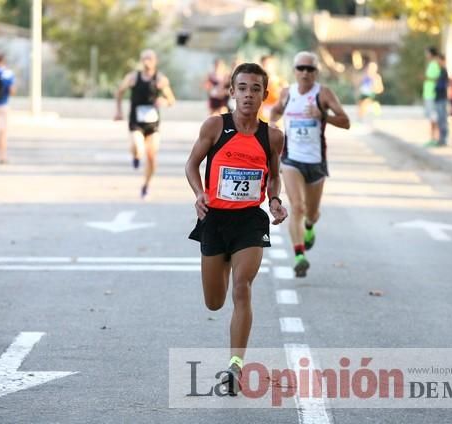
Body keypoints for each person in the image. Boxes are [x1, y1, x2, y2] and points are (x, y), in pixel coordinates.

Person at [186, 63, 288, 394]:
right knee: (214, 303)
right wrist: (200, 193)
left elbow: (274, 174)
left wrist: (274, 200)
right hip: (215, 220)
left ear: (264, 94)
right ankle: (223, 262)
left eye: (254, 89)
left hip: (249, 220)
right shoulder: (215, 126)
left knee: (242, 286)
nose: (247, 94)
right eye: (242, 88)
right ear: (232, 92)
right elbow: (191, 164)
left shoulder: (272, 136)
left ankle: (235, 366)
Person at [269, 51, 350, 278]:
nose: (305, 73)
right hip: (291, 159)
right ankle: (299, 256)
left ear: (316, 72)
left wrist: (322, 115)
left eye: (310, 69)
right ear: (294, 71)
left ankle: (310, 227)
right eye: (301, 68)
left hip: (315, 163)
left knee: (311, 213)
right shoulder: (287, 94)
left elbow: (346, 122)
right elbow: (274, 111)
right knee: (297, 207)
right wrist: (271, 124)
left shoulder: (323, 94)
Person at [114, 49, 176, 198]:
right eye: (144, 58)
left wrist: (164, 101)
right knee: (138, 146)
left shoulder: (160, 79)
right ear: (141, 61)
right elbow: (119, 92)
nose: (147, 61)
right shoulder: (133, 77)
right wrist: (118, 111)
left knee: (152, 158)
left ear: (155, 61)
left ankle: (146, 186)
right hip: (136, 121)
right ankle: (136, 156)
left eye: (150, 58)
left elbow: (171, 100)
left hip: (153, 124)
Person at [259, 54, 285, 123]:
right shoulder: (257, 82)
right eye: (264, 65)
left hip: (276, 121)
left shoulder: (281, 83)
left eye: (268, 64)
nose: (266, 67)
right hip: (261, 120)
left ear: (273, 66)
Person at [423, 47, 441, 146]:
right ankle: (432, 137)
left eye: (427, 53)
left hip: (432, 94)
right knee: (431, 118)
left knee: (434, 117)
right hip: (428, 94)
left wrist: (427, 78)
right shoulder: (431, 64)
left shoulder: (435, 64)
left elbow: (436, 78)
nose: (426, 55)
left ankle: (435, 138)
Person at [433, 55, 449, 147]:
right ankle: (441, 139)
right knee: (440, 119)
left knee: (443, 119)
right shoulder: (440, 71)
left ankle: (444, 139)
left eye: (439, 60)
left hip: (442, 98)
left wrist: (436, 83)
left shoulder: (444, 71)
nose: (438, 62)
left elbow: (442, 85)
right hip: (438, 97)